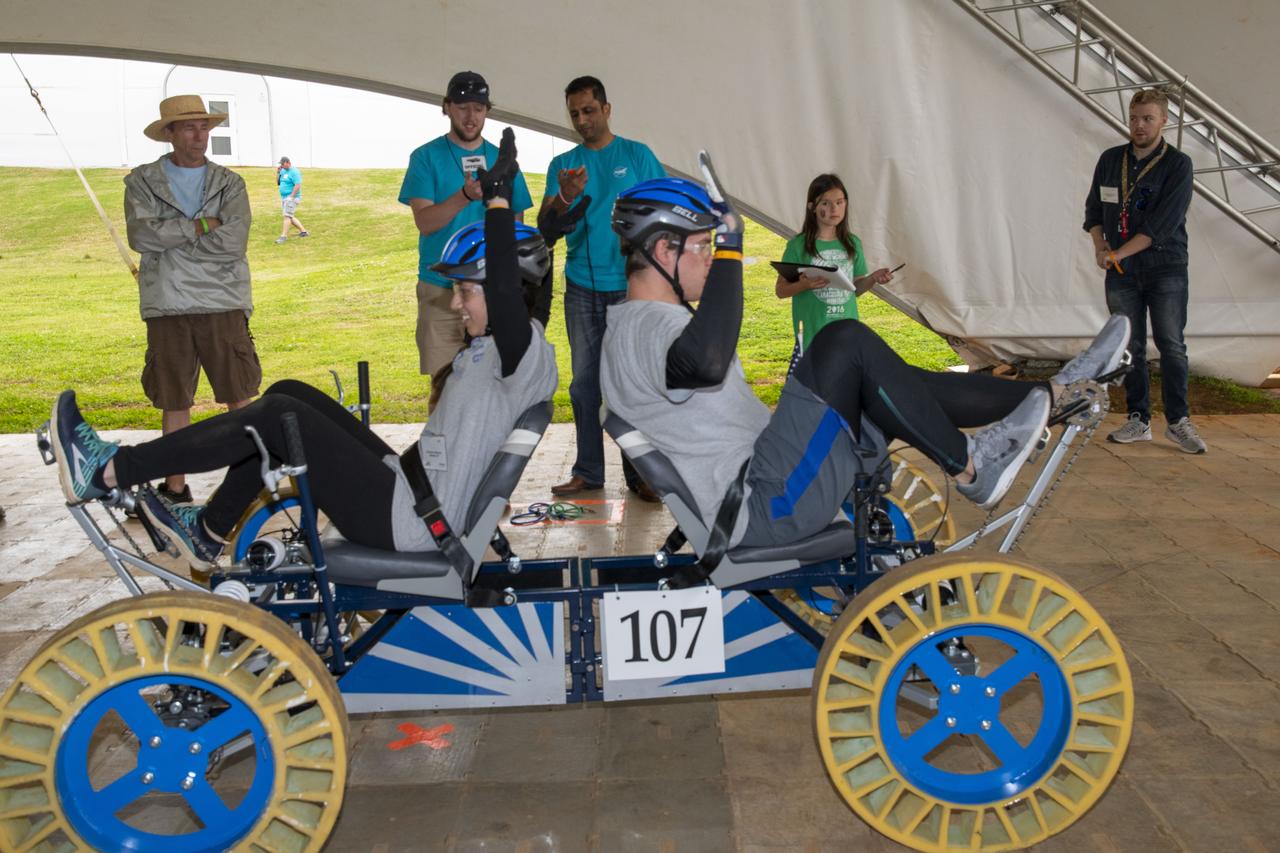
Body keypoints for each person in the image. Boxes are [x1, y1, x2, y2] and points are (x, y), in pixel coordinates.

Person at [55, 133, 556, 568]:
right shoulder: (509, 347)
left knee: (278, 416)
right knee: (288, 394)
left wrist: (498, 201)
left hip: (413, 521)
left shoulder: (521, 351)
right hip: (410, 491)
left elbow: (509, 290)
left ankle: (109, 469)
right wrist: (551, 230)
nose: (456, 302)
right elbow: (525, 290)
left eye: (466, 291)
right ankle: (209, 529)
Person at [600, 174, 1131, 552]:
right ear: (664, 251)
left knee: (892, 383)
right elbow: (706, 362)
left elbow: (702, 360)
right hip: (766, 502)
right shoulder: (645, 329)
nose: (712, 259)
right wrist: (735, 245)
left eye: (715, 247)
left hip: (769, 479)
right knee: (844, 341)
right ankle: (971, 465)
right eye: (703, 247)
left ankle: (1055, 392)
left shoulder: (639, 325)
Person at [124, 94, 259, 505]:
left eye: (204, 127)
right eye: (188, 128)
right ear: (169, 133)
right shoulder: (142, 181)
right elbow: (141, 236)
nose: (199, 136)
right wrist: (201, 225)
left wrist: (173, 239)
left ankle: (250, 483)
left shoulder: (229, 183)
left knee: (239, 395)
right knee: (174, 398)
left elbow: (233, 241)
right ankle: (175, 487)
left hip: (222, 301)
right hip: (167, 304)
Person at [537, 76, 667, 501]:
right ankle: (588, 472)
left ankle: (641, 474)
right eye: (574, 113)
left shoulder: (637, 155)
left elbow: (666, 211)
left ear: (607, 109)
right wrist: (563, 197)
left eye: (589, 111)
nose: (582, 120)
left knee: (631, 385)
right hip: (581, 287)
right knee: (584, 386)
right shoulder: (564, 165)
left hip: (631, 287)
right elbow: (546, 229)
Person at [400, 71, 533, 409]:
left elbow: (517, 229)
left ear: (487, 111)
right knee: (444, 389)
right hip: (440, 289)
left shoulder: (503, 160)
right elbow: (425, 222)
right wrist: (465, 195)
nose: (471, 117)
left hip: (491, 292)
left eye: (479, 108)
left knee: (495, 388)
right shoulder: (425, 157)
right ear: (446, 107)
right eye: (462, 107)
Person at [1084, 88, 1203, 454]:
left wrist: (1118, 252)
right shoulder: (1111, 160)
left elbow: (1161, 225)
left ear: (1164, 121)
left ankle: (1178, 421)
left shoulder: (1178, 164)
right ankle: (1138, 418)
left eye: (1148, 119)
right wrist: (1100, 247)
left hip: (1165, 268)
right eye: (1134, 118)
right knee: (1130, 345)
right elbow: (1093, 211)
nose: (1139, 125)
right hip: (1121, 271)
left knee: (1171, 344)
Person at [775, 174, 895, 358]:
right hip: (813, 335)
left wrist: (873, 278)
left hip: (846, 333)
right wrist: (803, 285)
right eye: (825, 203)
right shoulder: (798, 246)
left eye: (839, 202)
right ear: (812, 207)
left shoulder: (852, 243)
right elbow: (781, 290)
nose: (834, 209)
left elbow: (855, 289)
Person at [274, 156, 309, 244]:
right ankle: (304, 232)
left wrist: (291, 197)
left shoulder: (294, 172)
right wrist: (278, 172)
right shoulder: (282, 171)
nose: (281, 165)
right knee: (290, 216)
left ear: (288, 163)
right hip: (284, 197)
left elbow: (297, 185)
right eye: (281, 164)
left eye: (282, 164)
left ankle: (283, 237)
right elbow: (278, 183)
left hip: (292, 198)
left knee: (287, 216)